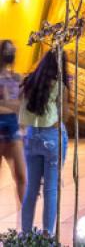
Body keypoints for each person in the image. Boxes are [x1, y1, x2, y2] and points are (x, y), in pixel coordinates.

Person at [20, 50, 69, 233]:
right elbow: (65, 114)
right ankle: (48, 235)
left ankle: (25, 235)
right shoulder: (59, 86)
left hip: (32, 137)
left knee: (31, 190)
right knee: (51, 190)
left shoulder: (29, 82)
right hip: (52, 137)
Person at [0, 40, 25, 206]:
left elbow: (23, 104)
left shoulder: (18, 77)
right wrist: (12, 106)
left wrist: (7, 105)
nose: (11, 53)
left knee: (22, 176)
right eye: (8, 50)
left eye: (13, 50)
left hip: (13, 128)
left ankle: (26, 226)